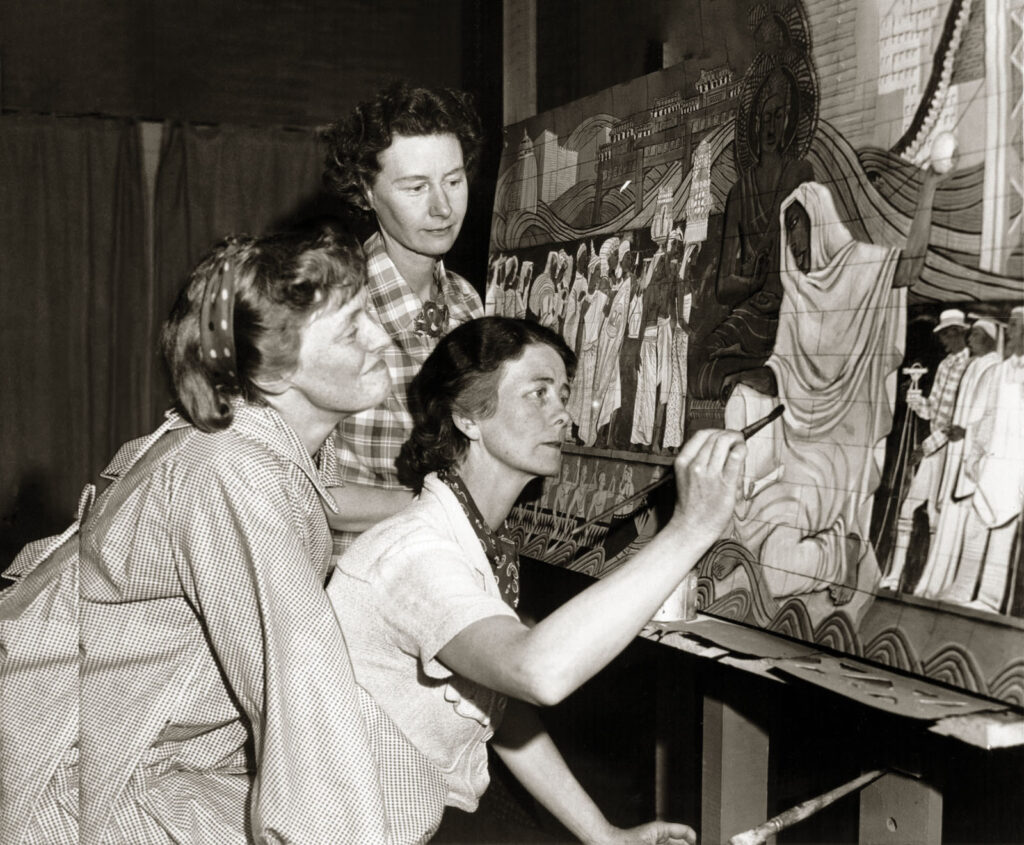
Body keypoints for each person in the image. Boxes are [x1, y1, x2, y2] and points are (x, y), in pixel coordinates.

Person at [0, 225, 446, 844]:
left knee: (391, 780)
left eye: (368, 310)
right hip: (76, 769)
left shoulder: (256, 448)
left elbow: (317, 517)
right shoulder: (228, 472)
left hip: (155, 745)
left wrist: (435, 506)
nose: (381, 335)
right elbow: (296, 676)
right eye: (351, 327)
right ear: (273, 371)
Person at [328, 316, 745, 843]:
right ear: (468, 417)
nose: (563, 414)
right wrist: (691, 528)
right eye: (538, 393)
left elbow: (498, 705)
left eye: (564, 394)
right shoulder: (416, 552)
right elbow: (537, 672)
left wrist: (604, 835)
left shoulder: (470, 538)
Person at [719, 173, 941, 613]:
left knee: (776, 572)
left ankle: (844, 553)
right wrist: (747, 380)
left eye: (796, 225)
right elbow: (784, 370)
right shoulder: (798, 294)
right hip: (797, 444)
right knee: (750, 523)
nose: (792, 240)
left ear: (819, 221)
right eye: (787, 229)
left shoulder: (860, 267)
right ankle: (765, 542)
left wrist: (930, 185)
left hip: (838, 452)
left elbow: (912, 265)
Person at [322, 81, 485, 552]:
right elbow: (304, 493)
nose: (442, 207)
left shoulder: (467, 302)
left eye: (453, 181)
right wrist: (444, 506)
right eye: (416, 187)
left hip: (446, 562)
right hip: (352, 575)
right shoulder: (333, 307)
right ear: (367, 193)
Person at [879, 308, 971, 591]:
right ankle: (894, 577)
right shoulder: (944, 365)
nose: (943, 340)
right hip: (934, 448)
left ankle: (930, 584)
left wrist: (925, 448)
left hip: (952, 453)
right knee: (909, 508)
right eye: (941, 335)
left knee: (935, 514)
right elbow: (935, 412)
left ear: (957, 333)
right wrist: (916, 399)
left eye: (946, 334)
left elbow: (959, 418)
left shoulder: (970, 366)